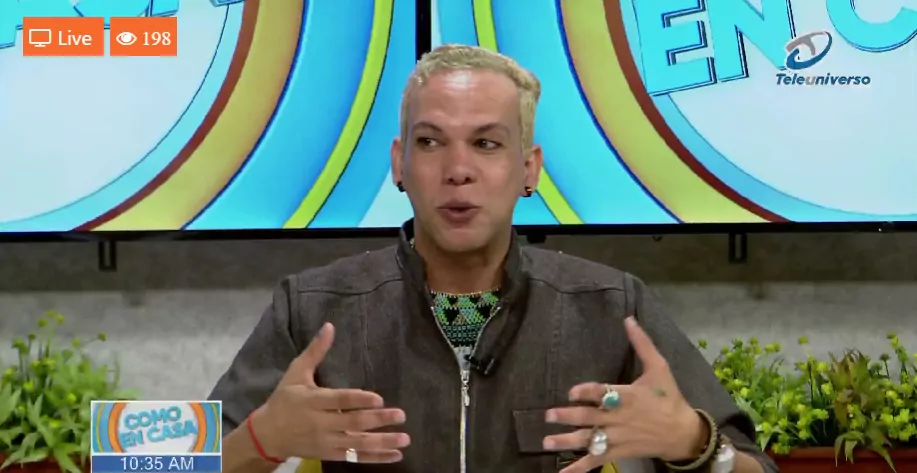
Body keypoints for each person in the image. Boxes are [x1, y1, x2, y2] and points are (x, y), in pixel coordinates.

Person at [211, 44, 778, 473]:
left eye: (486, 143)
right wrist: (264, 440)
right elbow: (183, 462)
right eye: (430, 142)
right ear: (399, 164)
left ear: (529, 169)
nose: (458, 170)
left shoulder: (609, 305)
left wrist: (693, 444)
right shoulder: (312, 308)